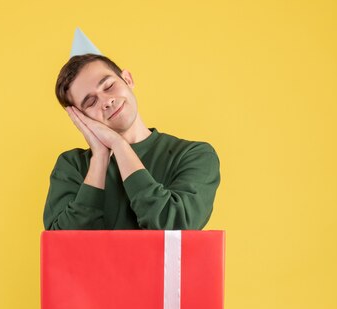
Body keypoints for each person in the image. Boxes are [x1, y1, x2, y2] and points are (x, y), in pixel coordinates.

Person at [43, 53, 220, 230]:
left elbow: (175, 227)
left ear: (127, 79)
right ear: (81, 118)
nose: (106, 101)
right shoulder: (72, 166)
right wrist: (100, 159)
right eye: (91, 102)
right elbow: (63, 246)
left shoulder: (194, 155)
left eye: (109, 86)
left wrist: (119, 145)